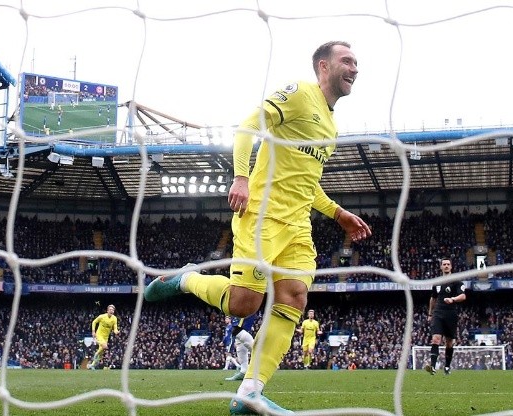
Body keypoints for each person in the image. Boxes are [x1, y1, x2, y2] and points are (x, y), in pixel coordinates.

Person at [144, 40, 371, 415]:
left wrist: (337, 213)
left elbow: (306, 181)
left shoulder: (330, 125)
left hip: (298, 226)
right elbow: (249, 125)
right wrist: (241, 177)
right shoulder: (299, 94)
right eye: (347, 60)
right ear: (323, 67)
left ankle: (250, 391)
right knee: (243, 303)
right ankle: (185, 278)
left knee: (295, 297)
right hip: (263, 216)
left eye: (357, 62)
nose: (355, 68)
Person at [424, 257, 466, 375]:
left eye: (448, 264)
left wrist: (452, 299)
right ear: (441, 267)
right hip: (438, 313)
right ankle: (432, 366)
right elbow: (433, 298)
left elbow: (463, 296)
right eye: (444, 264)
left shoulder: (456, 281)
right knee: (436, 339)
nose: (446, 266)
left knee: (449, 342)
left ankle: (447, 366)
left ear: (451, 266)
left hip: (451, 314)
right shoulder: (437, 282)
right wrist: (430, 313)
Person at [225, 314, 257, 381]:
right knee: (240, 345)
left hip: (243, 317)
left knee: (237, 331)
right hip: (240, 320)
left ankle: (264, 366)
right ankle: (243, 371)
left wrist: (230, 350)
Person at [88, 304, 119, 370]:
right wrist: (93, 331)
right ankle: (95, 354)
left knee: (101, 353)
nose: (111, 311)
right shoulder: (102, 316)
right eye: (110, 309)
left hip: (106, 337)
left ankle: (92, 365)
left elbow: (115, 327)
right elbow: (94, 322)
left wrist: (116, 331)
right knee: (105, 346)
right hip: (99, 335)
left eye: (113, 310)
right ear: (107, 311)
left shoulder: (114, 318)